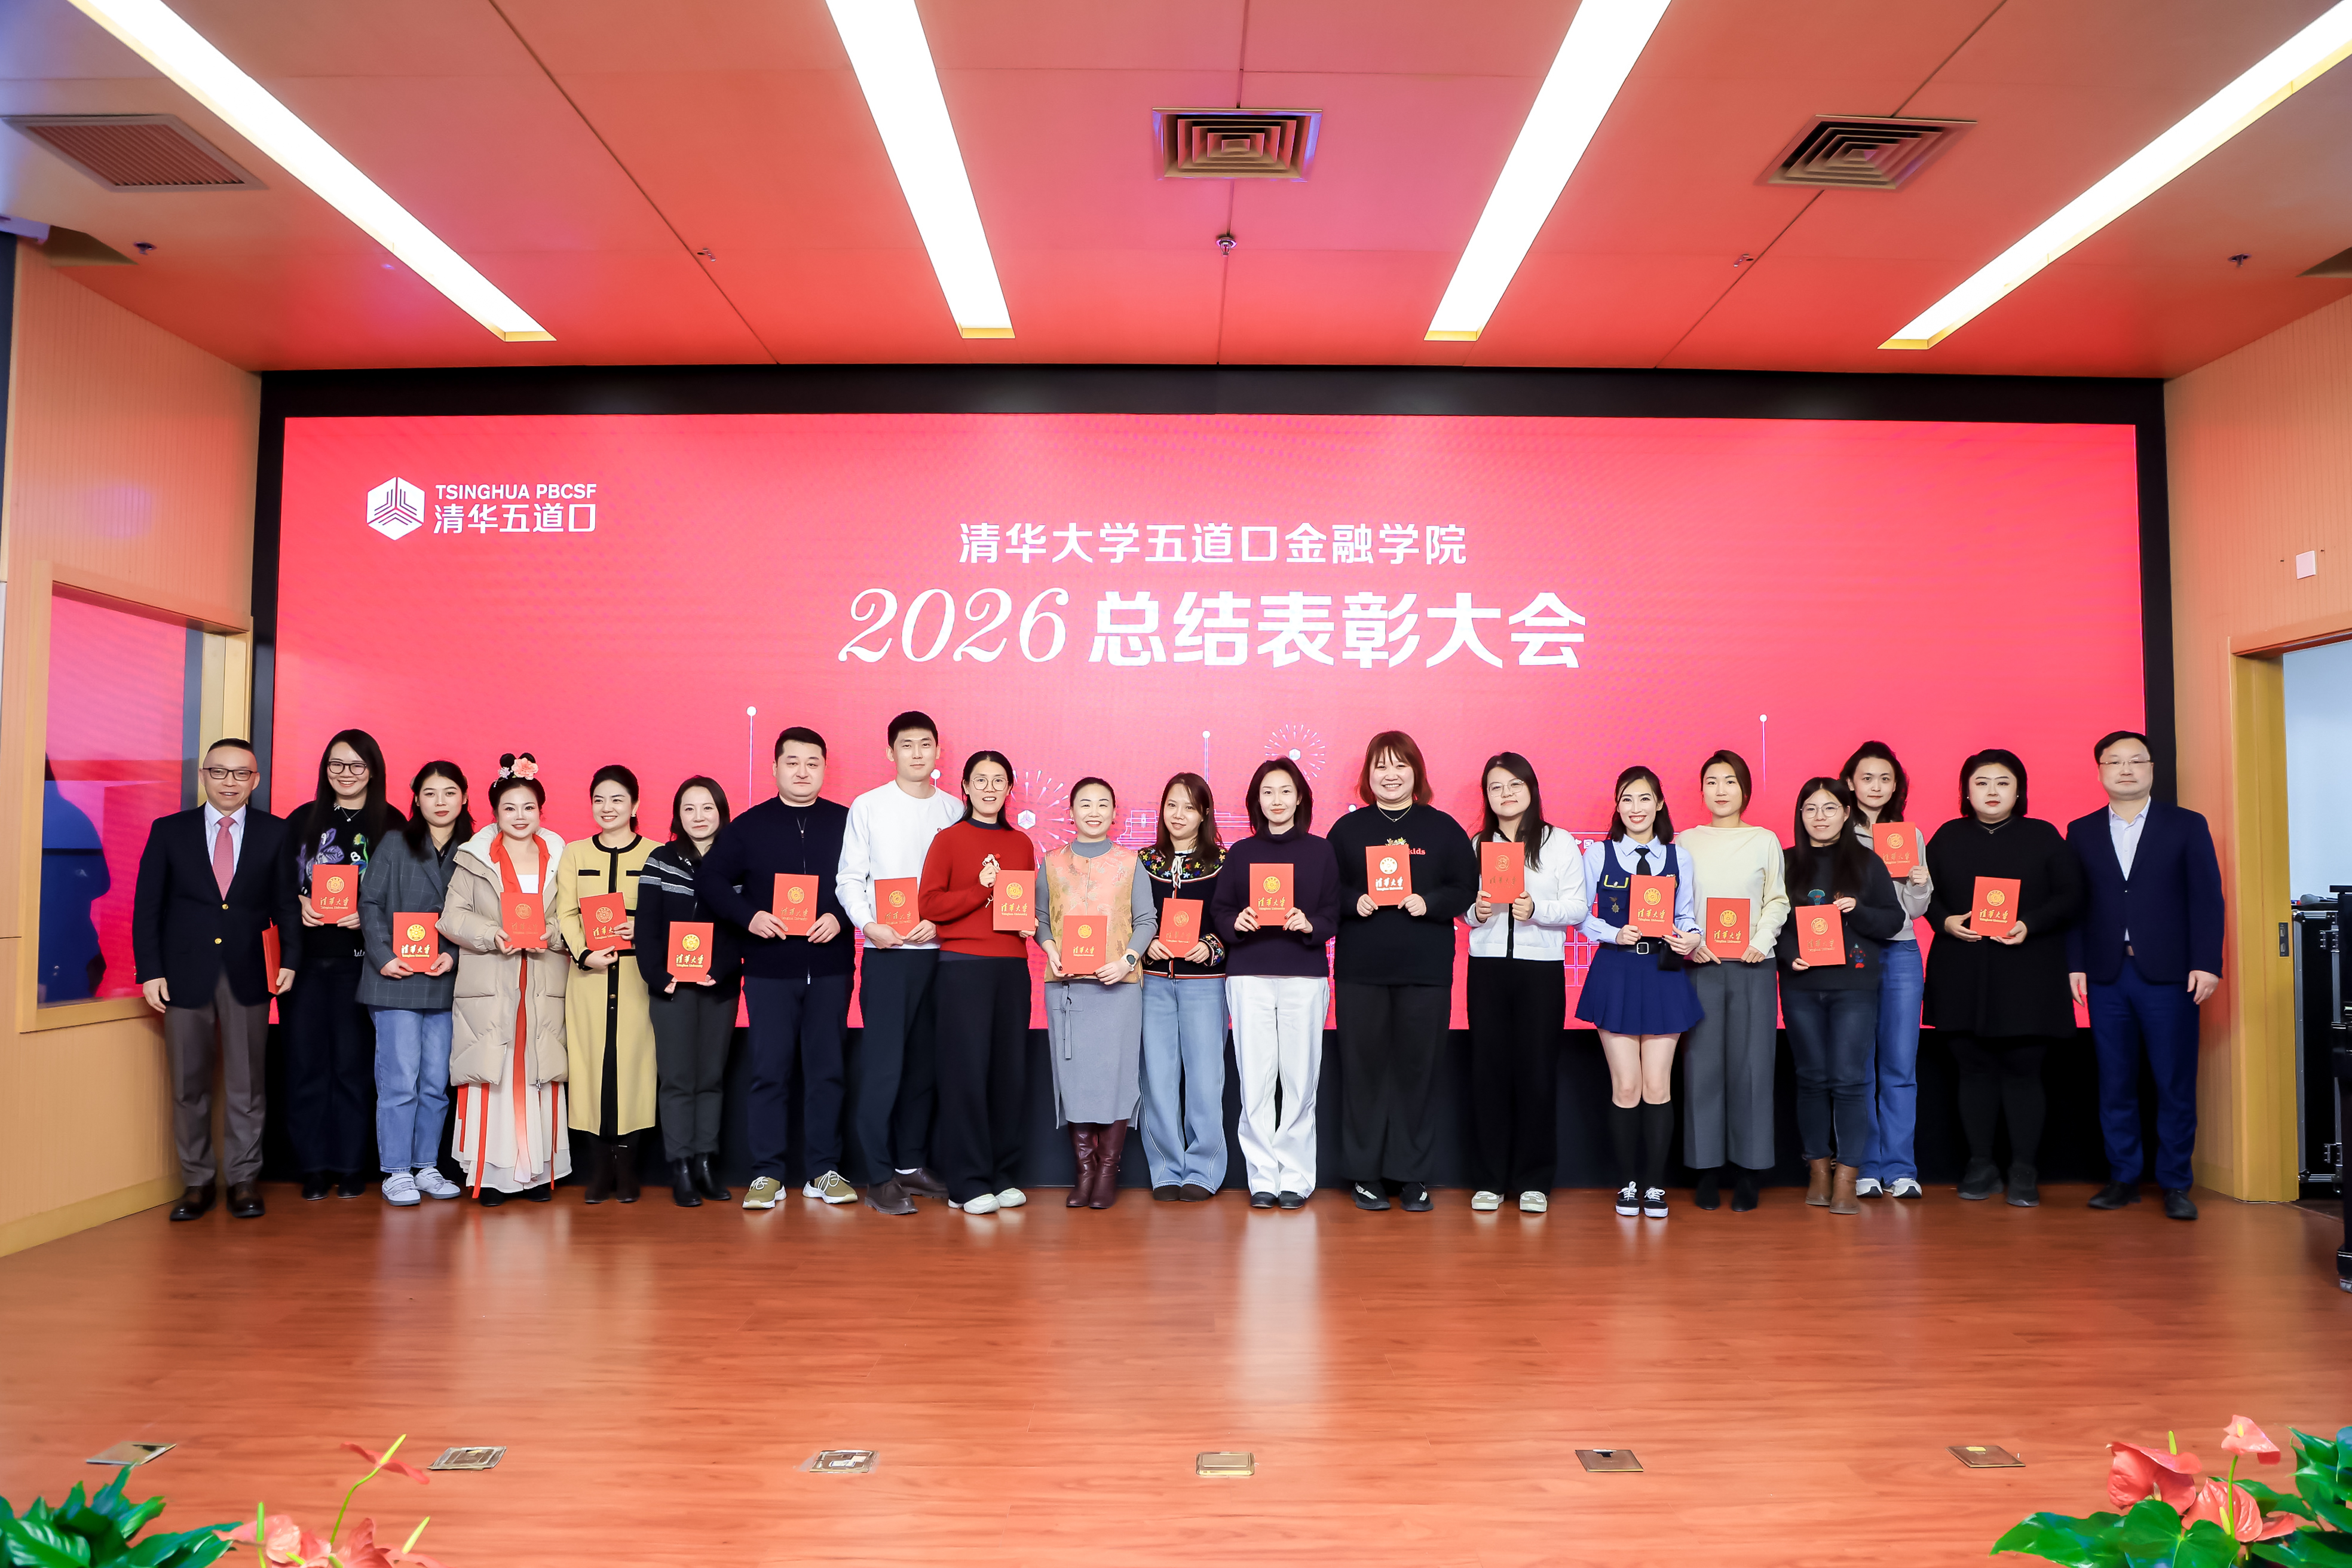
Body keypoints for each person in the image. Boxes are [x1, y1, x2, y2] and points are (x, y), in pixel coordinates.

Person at [133, 737, 300, 1221]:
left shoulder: (275, 832)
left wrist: (290, 959)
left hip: (250, 972)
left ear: (256, 779)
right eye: (219, 772)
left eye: (241, 773)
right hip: (183, 974)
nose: (230, 782)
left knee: (248, 1085)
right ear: (203, 775)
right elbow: (148, 907)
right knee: (189, 1085)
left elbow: (287, 902)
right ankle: (197, 1182)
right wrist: (150, 970)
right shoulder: (169, 831)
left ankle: (244, 1180)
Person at [2065, 730, 2224, 1221]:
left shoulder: (2186, 825)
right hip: (2107, 973)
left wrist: (2207, 962)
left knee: (2174, 1081)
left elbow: (2207, 898)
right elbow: (2076, 905)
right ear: (2100, 771)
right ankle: (2123, 1178)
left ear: (2152, 769)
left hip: (2171, 975)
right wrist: (2075, 963)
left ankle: (2176, 1183)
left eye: (2137, 760)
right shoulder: (2081, 830)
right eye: (2115, 761)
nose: (2127, 769)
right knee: (2115, 1081)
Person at [699, 728, 855, 1212]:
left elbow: (868, 880)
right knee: (769, 1072)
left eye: (812, 763)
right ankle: (767, 1172)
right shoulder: (749, 826)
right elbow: (710, 879)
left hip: (830, 967)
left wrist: (842, 915)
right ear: (775, 768)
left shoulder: (849, 822)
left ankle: (824, 1170)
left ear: (825, 768)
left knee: (828, 1071)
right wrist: (749, 916)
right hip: (769, 971)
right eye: (792, 762)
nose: (802, 772)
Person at [1923, 749, 2083, 1208]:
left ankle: (2024, 1170)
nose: (1992, 791)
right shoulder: (1946, 837)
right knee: (1972, 1070)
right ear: (1966, 792)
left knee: (2023, 1070)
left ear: (2019, 791)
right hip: (1962, 969)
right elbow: (1922, 894)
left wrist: (2030, 923)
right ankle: (1981, 1165)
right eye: (1981, 783)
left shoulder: (2044, 836)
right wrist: (1944, 921)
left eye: (2002, 782)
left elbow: (2072, 895)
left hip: (2028, 970)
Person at [1328, 731, 1477, 1214]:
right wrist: (1354, 900)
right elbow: (1326, 891)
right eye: (1381, 767)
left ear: (1417, 773)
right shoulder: (1347, 831)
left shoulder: (1443, 829)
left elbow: (1466, 888)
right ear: (1367, 776)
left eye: (1400, 766)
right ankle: (1365, 1174)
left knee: (1419, 1071)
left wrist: (1429, 902)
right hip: (1361, 971)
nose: (1390, 776)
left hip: (1425, 971)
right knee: (1363, 1073)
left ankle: (1411, 1175)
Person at [835, 712, 963, 1214]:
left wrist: (941, 923)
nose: (917, 753)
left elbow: (962, 885)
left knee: (925, 1068)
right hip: (887, 956)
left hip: (942, 956)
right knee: (884, 1068)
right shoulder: (868, 806)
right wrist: (869, 926)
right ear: (890, 753)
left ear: (938, 752)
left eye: (925, 744)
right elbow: (850, 878)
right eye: (906, 745)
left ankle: (911, 1164)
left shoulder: (955, 809)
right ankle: (879, 1175)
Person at [1208, 758, 1342, 1210]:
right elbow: (1221, 910)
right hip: (1249, 975)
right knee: (1256, 1081)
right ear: (1257, 801)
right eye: (1268, 792)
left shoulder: (1321, 851)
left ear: (1300, 797)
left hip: (1305, 975)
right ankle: (1263, 1178)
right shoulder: (1241, 852)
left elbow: (1333, 913)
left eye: (1285, 791)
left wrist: (1310, 923)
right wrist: (1237, 920)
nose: (1277, 800)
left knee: (1301, 1080)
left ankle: (1297, 1179)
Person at [442, 757, 571, 1205]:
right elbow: (452, 917)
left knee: (538, 1069)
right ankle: (493, 1176)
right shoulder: (474, 858)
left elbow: (571, 916)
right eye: (510, 808)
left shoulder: (560, 858)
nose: (520, 816)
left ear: (541, 811)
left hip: (542, 978)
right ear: (495, 812)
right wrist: (491, 934)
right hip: (491, 980)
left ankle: (536, 1175)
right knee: (492, 1073)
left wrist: (550, 932)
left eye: (529, 807)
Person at [1575, 766, 1702, 1220]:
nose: (1636, 808)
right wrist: (1613, 933)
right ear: (1617, 805)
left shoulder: (1678, 857)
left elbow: (1686, 915)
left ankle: (1655, 1185)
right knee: (1627, 1086)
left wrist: (1691, 937)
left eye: (1644, 798)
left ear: (1659, 804)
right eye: (1627, 799)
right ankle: (1628, 1184)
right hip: (1617, 970)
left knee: (1657, 1086)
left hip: (1664, 972)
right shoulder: (1599, 854)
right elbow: (1579, 915)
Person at [1463, 752, 1587, 1214]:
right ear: (1487, 796)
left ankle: (1534, 1179)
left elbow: (1578, 907)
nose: (1506, 794)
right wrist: (1475, 912)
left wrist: (1538, 910)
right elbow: (1463, 909)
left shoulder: (1559, 842)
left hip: (1540, 970)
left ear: (1531, 788)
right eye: (1496, 787)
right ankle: (1489, 1180)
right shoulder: (1477, 843)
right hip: (1488, 969)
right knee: (1488, 1074)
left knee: (1537, 1073)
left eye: (1515, 784)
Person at [281, 728, 402, 1201]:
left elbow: (410, 895)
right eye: (336, 764)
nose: (345, 773)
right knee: (306, 1067)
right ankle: (313, 1166)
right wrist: (297, 902)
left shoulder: (393, 823)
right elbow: (276, 884)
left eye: (356, 765)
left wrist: (370, 914)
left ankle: (352, 1166)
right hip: (306, 964)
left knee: (354, 1069)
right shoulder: (301, 819)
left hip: (363, 965)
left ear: (373, 770)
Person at [1776, 779, 1904, 1216]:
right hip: (1801, 987)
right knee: (1811, 1078)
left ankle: (1848, 1176)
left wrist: (1858, 910)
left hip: (1854, 987)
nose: (1820, 817)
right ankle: (1818, 1172)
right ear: (1800, 814)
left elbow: (1892, 921)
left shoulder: (1867, 862)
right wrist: (1788, 955)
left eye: (1829, 808)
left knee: (1849, 1081)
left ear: (1846, 813)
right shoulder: (1786, 862)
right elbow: (1770, 921)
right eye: (1810, 808)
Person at [918, 751, 1038, 1215]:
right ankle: (966, 1182)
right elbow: (930, 905)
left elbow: (1020, 904)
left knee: (1008, 1074)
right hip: (962, 966)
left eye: (999, 781)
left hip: (1011, 967)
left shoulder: (1021, 843)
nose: (990, 789)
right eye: (981, 780)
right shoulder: (948, 839)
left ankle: (1002, 1174)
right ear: (965, 787)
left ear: (1010, 789)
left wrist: (1027, 923)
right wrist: (982, 887)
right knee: (965, 1073)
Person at [1674, 750, 1789, 1212]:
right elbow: (1675, 901)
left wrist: (1762, 940)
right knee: (1701, 1067)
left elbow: (1777, 899)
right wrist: (1691, 941)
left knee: (1753, 1068)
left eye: (1730, 781)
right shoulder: (1686, 841)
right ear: (1701, 790)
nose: (1720, 790)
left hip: (1752, 965)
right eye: (1712, 782)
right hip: (1701, 964)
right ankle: (1705, 1170)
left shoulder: (1765, 840)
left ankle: (1749, 1170)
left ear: (1745, 790)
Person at [1038, 779, 1156, 1208]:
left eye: (1103, 804)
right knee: (1074, 1079)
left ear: (1114, 813)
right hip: (1067, 988)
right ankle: (1084, 1172)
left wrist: (1127, 961)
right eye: (1085, 804)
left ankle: (1107, 1172)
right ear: (1071, 812)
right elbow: (1040, 919)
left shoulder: (1130, 862)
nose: (1094, 812)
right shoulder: (1052, 862)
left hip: (1118, 989)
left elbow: (1147, 921)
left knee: (1117, 1078)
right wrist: (1051, 950)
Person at [357, 760, 468, 1207]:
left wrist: (455, 953)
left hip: (446, 978)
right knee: (401, 1079)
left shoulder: (476, 849)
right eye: (430, 793)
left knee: (436, 1083)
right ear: (416, 799)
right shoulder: (394, 843)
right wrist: (384, 956)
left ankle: (426, 1166)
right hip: (396, 978)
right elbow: (369, 902)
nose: (440, 802)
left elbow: (484, 914)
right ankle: (397, 1170)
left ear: (464, 797)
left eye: (449, 792)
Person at [637, 777, 743, 1208]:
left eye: (707, 808)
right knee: (678, 1078)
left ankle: (704, 1163)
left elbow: (741, 926)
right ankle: (680, 1166)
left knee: (711, 1077)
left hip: (719, 986)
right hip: (672, 987)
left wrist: (719, 970)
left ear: (721, 812)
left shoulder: (737, 863)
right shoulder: (660, 861)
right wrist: (659, 975)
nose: (698, 817)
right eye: (689, 809)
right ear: (677, 816)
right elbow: (646, 927)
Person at [555, 765, 659, 1205]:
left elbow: (666, 914)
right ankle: (599, 1171)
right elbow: (565, 913)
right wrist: (584, 954)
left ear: (635, 805)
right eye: (599, 799)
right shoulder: (575, 854)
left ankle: (629, 1171)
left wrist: (643, 929)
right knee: (590, 1068)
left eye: (617, 799)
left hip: (638, 978)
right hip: (589, 977)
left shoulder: (656, 854)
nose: (608, 808)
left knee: (635, 1069)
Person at [1841, 741, 1934, 1200]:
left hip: (1901, 952)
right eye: (1867, 778)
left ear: (1896, 785)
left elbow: (1915, 910)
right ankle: (1865, 1167)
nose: (1876, 786)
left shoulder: (1907, 835)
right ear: (1850, 783)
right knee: (1859, 1064)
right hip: (1853, 953)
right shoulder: (1838, 832)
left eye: (1885, 779)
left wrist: (1919, 885)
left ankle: (1901, 1169)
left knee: (1900, 1063)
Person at [1138, 773, 1229, 1202]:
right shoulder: (1141, 862)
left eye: (1189, 807)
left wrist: (1210, 946)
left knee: (1206, 1080)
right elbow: (1125, 917)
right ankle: (1165, 1170)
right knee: (1157, 1079)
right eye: (1171, 805)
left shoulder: (1224, 862)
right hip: (1152, 983)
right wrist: (1143, 943)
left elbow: (1233, 920)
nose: (1178, 815)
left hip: (1204, 985)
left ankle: (1204, 1169)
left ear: (1204, 814)